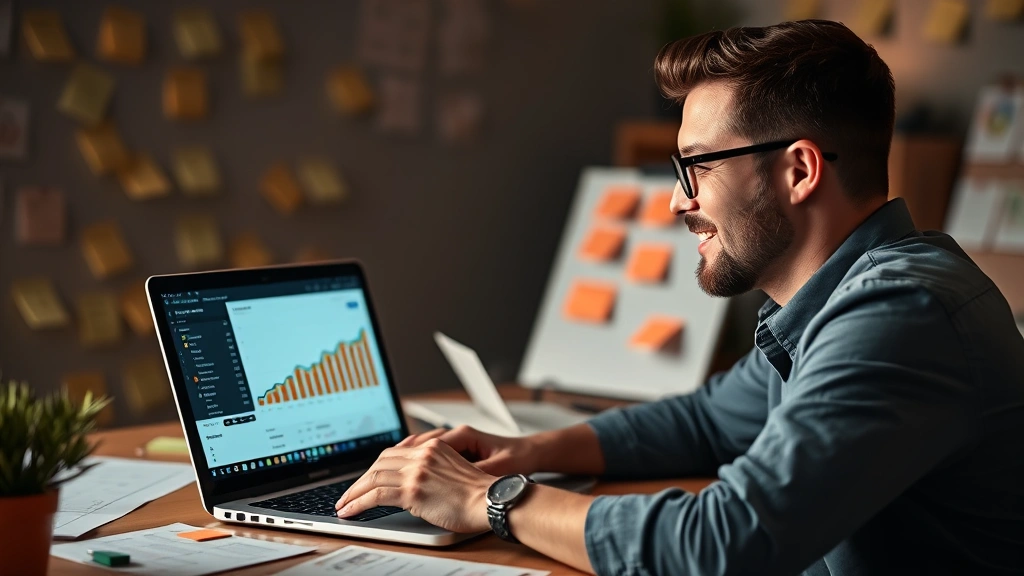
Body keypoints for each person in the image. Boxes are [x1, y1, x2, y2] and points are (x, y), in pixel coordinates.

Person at [335, 19, 1024, 576]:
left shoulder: (900, 314)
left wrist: (485, 498)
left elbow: (723, 543)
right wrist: (526, 451)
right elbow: (707, 423)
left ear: (799, 170)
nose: (675, 200)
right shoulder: (839, 300)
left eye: (695, 165)